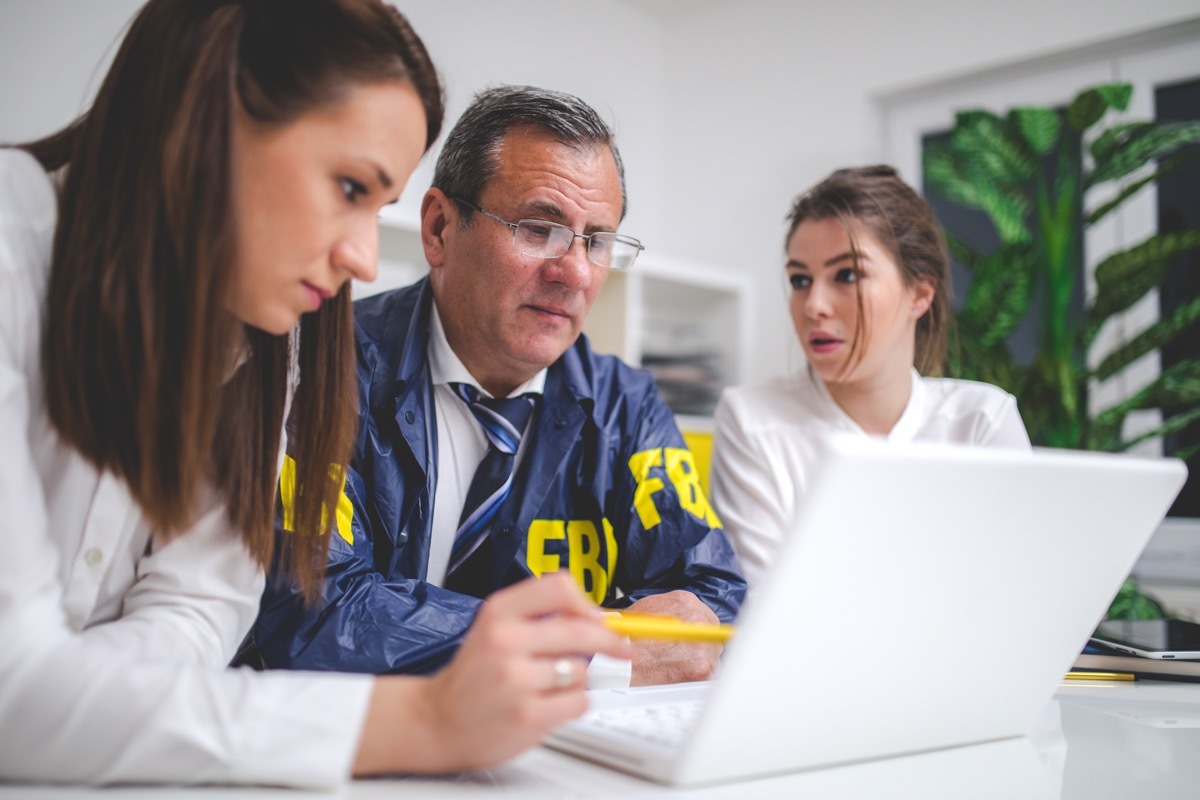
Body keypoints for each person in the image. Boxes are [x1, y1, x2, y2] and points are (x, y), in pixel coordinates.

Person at [0, 0, 632, 787]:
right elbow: (15, 692)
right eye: (347, 186)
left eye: (597, 240)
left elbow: (198, 608)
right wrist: (425, 722)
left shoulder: (260, 338)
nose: (365, 259)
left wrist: (74, 703)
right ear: (205, 113)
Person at [247, 85, 746, 688]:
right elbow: (307, 606)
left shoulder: (626, 405)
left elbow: (709, 595)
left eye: (598, 241)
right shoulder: (324, 367)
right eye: (539, 228)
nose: (576, 273)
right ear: (438, 228)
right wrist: (588, 652)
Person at [710, 165, 1031, 588]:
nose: (814, 306)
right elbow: (766, 620)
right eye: (800, 280)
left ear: (920, 294)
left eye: (847, 275)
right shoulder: (753, 420)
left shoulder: (981, 422)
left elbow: (1020, 593)